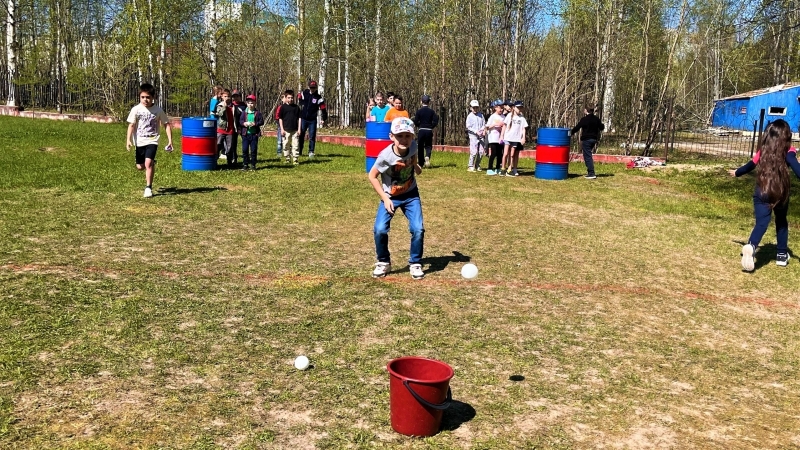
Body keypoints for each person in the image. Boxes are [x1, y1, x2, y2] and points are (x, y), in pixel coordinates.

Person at [730, 119, 800, 271]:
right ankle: (781, 255)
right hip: (780, 194)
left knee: (761, 223)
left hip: (761, 191)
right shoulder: (790, 152)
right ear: (786, 137)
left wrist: (737, 172)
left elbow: (750, 165)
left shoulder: (762, 151)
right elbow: (797, 169)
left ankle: (751, 246)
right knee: (781, 222)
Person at [369, 117, 425, 280]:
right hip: (390, 196)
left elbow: (417, 169)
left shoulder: (413, 147)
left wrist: (415, 165)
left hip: (410, 195)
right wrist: (385, 199)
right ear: (391, 136)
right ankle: (383, 261)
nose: (404, 140)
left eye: (408, 136)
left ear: (412, 137)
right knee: (379, 229)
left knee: (418, 229)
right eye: (400, 136)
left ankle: (415, 263)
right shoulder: (385, 156)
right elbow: (372, 176)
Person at [126, 83, 173, 198]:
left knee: (148, 163)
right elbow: (131, 125)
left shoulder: (158, 110)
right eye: (143, 97)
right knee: (140, 166)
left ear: (153, 98)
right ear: (139, 97)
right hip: (139, 141)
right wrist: (128, 140)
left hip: (152, 140)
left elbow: (166, 124)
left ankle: (148, 187)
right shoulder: (136, 109)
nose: (145, 100)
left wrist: (170, 141)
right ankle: (151, 162)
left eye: (148, 97)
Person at [570, 105, 605, 179]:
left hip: (586, 140)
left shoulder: (584, 119)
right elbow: (602, 127)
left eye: (584, 110)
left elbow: (577, 127)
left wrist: (571, 133)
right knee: (588, 155)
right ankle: (590, 172)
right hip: (594, 140)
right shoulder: (596, 119)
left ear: (586, 111)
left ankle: (591, 173)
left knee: (587, 156)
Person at [297, 80, 328, 159]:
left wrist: (324, 118)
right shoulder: (305, 93)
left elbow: (323, 108)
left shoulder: (318, 97)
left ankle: (311, 151)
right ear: (309, 87)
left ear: (316, 88)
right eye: (311, 87)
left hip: (312, 120)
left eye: (314, 88)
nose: (312, 89)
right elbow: (299, 97)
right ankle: (300, 150)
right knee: (301, 135)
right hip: (303, 118)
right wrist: (300, 100)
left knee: (312, 136)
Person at [500, 101, 528, 177]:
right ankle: (503, 168)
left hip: (516, 139)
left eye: (520, 107)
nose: (519, 109)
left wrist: (523, 138)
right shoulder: (509, 116)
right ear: (514, 108)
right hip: (508, 137)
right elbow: (504, 126)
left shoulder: (522, 118)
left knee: (512, 155)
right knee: (505, 154)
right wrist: (501, 136)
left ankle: (509, 170)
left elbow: (523, 129)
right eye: (518, 107)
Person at [412, 94, 439, 167]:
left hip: (421, 130)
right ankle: (427, 155)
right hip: (429, 130)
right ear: (429, 102)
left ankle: (421, 162)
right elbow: (436, 120)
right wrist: (431, 126)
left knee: (420, 146)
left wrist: (419, 125)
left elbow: (416, 121)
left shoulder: (419, 111)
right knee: (428, 146)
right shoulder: (431, 112)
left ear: (421, 102)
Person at [239, 94, 265, 171]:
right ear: (246, 103)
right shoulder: (244, 113)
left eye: (252, 103)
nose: (250, 104)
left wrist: (255, 124)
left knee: (253, 150)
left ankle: (253, 165)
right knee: (245, 150)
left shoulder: (257, 113)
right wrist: (244, 123)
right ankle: (245, 164)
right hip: (245, 134)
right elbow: (240, 121)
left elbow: (261, 121)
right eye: (249, 103)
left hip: (254, 134)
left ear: (255, 103)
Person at [213, 89, 236, 166]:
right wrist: (224, 107)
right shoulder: (220, 105)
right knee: (218, 145)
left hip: (230, 130)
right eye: (225, 96)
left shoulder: (233, 106)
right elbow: (220, 114)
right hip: (221, 129)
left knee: (229, 147)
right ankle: (214, 161)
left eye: (228, 96)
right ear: (222, 97)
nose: (227, 98)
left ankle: (229, 162)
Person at [279, 89, 301, 165]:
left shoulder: (296, 107)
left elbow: (299, 118)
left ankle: (295, 159)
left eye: (291, 97)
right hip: (286, 130)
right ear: (285, 98)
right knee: (286, 144)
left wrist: (299, 129)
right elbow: (280, 118)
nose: (290, 99)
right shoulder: (283, 107)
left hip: (295, 129)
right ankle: (287, 158)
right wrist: (282, 129)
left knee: (296, 145)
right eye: (288, 97)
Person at [484, 99, 505, 175]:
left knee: (500, 154)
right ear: (495, 108)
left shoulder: (503, 116)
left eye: (502, 107)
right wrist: (495, 125)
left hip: (500, 138)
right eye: (500, 107)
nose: (501, 109)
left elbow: (504, 126)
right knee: (493, 153)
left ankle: (497, 168)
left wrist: (502, 127)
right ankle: (489, 169)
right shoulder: (492, 116)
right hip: (493, 138)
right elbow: (487, 127)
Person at [465, 99, 486, 172]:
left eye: (476, 107)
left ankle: (477, 165)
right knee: (473, 151)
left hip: (481, 136)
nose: (475, 109)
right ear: (470, 108)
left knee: (481, 151)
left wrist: (483, 130)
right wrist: (475, 131)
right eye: (474, 107)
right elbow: (468, 127)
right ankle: (470, 165)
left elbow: (484, 124)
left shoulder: (481, 115)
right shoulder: (469, 116)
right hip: (473, 136)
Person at [230, 90, 246, 166]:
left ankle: (246, 158)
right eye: (234, 96)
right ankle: (234, 158)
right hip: (234, 127)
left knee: (245, 142)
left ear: (240, 96)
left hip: (243, 127)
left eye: (237, 96)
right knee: (233, 143)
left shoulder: (244, 105)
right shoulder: (230, 105)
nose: (235, 98)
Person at [275, 93, 288, 157]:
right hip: (280, 126)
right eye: (284, 98)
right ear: (282, 100)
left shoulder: (289, 107)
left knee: (287, 140)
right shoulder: (280, 107)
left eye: (286, 98)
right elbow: (277, 116)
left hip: (288, 126)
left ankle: (287, 152)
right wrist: (279, 124)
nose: (285, 99)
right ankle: (279, 152)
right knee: (279, 141)